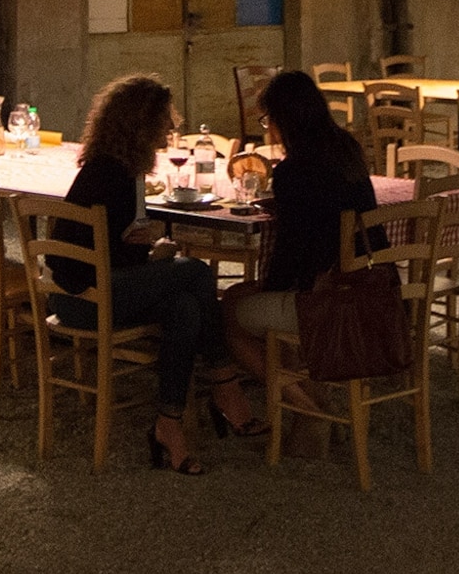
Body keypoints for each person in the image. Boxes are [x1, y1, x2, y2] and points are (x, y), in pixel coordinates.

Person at [52, 73, 260, 473]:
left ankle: (169, 424)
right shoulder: (115, 177)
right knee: (195, 272)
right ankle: (224, 384)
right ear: (142, 124)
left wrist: (146, 252)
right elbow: (111, 259)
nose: (171, 126)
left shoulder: (105, 167)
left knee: (185, 308)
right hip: (85, 302)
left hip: (83, 292)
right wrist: (155, 255)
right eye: (165, 118)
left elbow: (108, 248)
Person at [222, 70, 373, 416]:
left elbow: (289, 255)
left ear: (282, 120)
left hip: (322, 297)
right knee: (233, 295)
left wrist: (266, 290)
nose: (268, 128)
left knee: (229, 320)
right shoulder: (346, 148)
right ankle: (311, 399)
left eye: (267, 120)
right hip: (362, 287)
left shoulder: (294, 171)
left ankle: (313, 409)